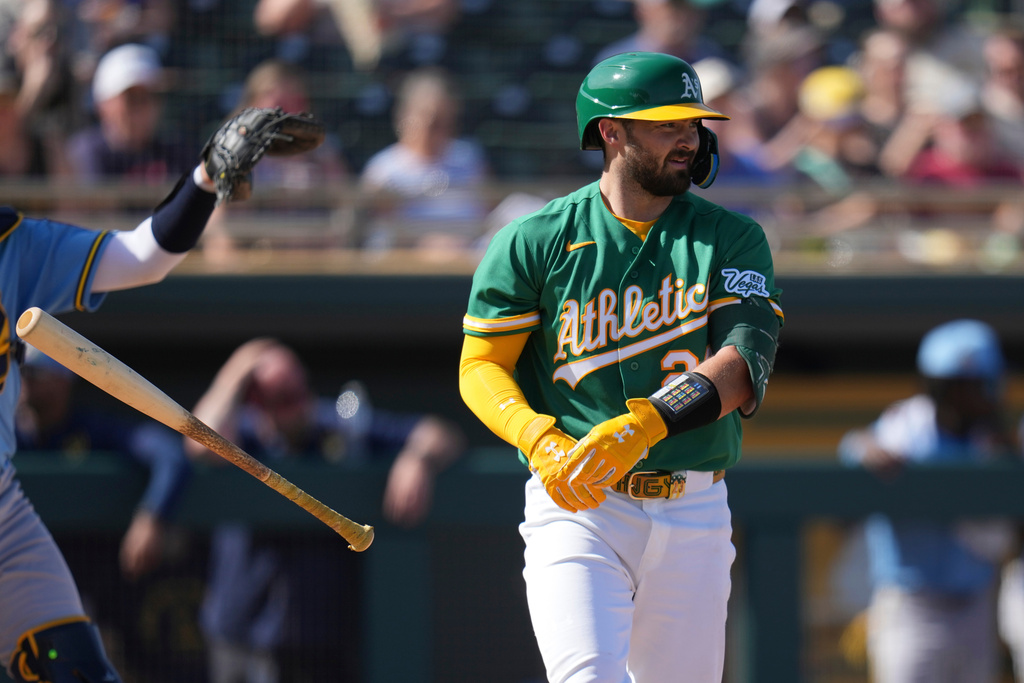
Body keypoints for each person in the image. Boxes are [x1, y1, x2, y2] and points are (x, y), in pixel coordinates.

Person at [459, 51, 784, 682]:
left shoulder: (732, 236)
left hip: (695, 505)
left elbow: (743, 362)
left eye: (692, 124)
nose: (688, 138)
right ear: (611, 132)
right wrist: (539, 437)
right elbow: (480, 366)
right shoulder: (534, 238)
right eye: (667, 124)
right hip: (579, 505)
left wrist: (647, 424)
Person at [0, 105, 315, 682]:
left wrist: (204, 178)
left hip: (2, 516)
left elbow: (141, 258)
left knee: (77, 670)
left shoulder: (11, 244)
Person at [184, 338, 466, 683]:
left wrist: (417, 458)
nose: (300, 405)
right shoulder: (242, 433)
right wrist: (241, 367)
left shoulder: (338, 425)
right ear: (258, 402)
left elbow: (442, 434)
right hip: (239, 627)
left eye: (301, 391)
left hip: (314, 637)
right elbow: (198, 444)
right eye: (285, 399)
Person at [838, 318, 1017, 683]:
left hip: (976, 603)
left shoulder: (997, 443)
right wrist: (865, 449)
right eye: (957, 386)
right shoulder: (907, 426)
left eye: (976, 385)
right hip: (912, 605)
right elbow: (852, 450)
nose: (971, 396)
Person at [15, 347, 191, 580]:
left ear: (62, 380)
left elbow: (168, 453)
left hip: (81, 572)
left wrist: (151, 516)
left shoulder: (91, 428)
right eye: (18, 370)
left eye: (33, 372)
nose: (23, 379)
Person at [358, 66, 491, 254]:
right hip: (409, 262)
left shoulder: (468, 157)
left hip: (468, 256)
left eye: (442, 121)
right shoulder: (384, 169)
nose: (435, 130)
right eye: (428, 120)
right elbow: (377, 229)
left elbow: (485, 213)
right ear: (405, 118)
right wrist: (429, 244)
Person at [66, 42, 192, 184]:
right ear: (103, 105)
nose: (142, 107)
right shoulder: (85, 153)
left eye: (150, 96)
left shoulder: (176, 151)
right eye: (131, 98)